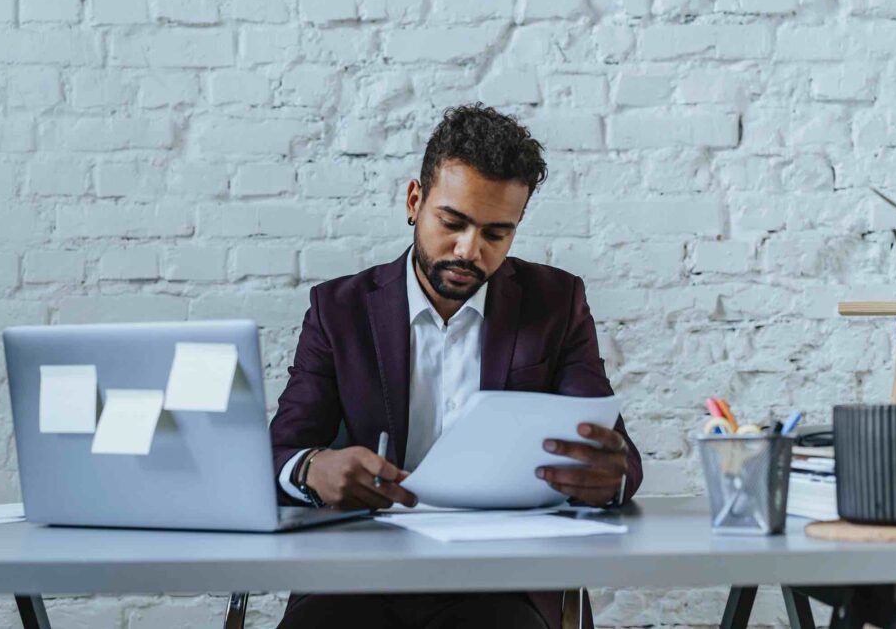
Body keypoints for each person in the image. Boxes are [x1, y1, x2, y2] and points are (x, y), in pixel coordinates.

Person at [271, 104, 642, 629]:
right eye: (453, 222)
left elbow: (618, 457)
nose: (469, 250)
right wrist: (313, 468)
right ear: (414, 200)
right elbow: (279, 452)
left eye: (496, 234)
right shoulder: (340, 309)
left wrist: (611, 478)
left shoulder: (557, 303)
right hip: (357, 576)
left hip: (500, 585)